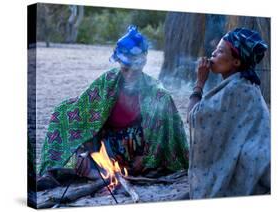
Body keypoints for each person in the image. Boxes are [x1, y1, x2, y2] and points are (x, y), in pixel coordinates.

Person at [37, 25, 189, 190]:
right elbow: (84, 113)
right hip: (107, 148)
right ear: (118, 62)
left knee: (161, 109)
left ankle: (117, 172)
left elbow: (167, 134)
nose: (130, 74)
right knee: (62, 112)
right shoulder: (107, 82)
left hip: (139, 153)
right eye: (125, 68)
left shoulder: (157, 93)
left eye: (135, 69)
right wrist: (85, 148)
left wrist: (146, 157)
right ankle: (51, 173)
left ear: (143, 63)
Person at [187, 28, 270, 199]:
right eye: (215, 50)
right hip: (258, 165)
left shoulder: (234, 90)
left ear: (237, 62)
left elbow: (193, 117)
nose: (213, 54)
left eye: (220, 51)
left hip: (251, 171)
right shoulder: (246, 84)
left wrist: (200, 82)